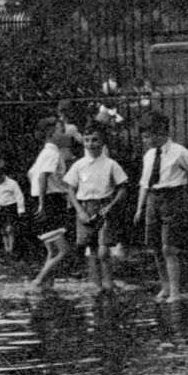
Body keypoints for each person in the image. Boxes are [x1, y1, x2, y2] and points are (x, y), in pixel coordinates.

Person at [133, 111, 188, 303]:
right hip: (153, 200)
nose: (145, 140)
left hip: (173, 200)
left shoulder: (179, 152)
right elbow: (145, 183)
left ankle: (175, 291)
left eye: (148, 135)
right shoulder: (149, 155)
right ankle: (165, 287)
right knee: (156, 246)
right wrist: (139, 208)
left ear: (161, 132)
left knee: (169, 247)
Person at [63, 121, 128, 292]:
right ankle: (97, 284)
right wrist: (80, 211)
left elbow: (122, 188)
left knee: (103, 250)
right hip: (85, 208)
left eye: (95, 140)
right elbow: (70, 189)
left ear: (102, 141)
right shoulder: (79, 165)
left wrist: (112, 205)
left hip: (104, 207)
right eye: (87, 140)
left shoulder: (110, 164)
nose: (91, 144)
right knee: (91, 250)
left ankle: (109, 282)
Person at [27, 117, 71, 291]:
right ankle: (38, 281)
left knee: (52, 251)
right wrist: (42, 204)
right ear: (51, 134)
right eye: (61, 130)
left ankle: (48, 285)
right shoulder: (52, 153)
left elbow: (31, 174)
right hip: (50, 201)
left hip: (45, 199)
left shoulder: (44, 154)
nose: (64, 133)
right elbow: (42, 176)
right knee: (64, 251)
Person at [0, 158, 25, 254]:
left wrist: (21, 210)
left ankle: (11, 248)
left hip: (9, 208)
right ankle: (6, 248)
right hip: (0, 209)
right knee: (3, 230)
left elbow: (19, 196)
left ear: (3, 173)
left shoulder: (12, 183)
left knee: (9, 229)